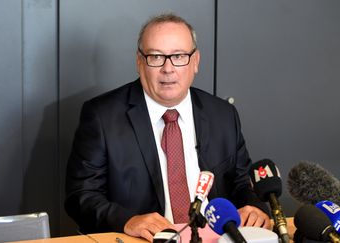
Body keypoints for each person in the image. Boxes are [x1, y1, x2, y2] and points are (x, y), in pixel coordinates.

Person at [65, 13, 272, 242]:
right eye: (156, 57)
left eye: (179, 56)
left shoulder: (222, 114)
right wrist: (126, 220)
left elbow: (242, 182)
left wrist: (254, 207)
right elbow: (81, 196)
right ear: (139, 62)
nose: (168, 68)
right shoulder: (102, 116)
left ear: (195, 62)